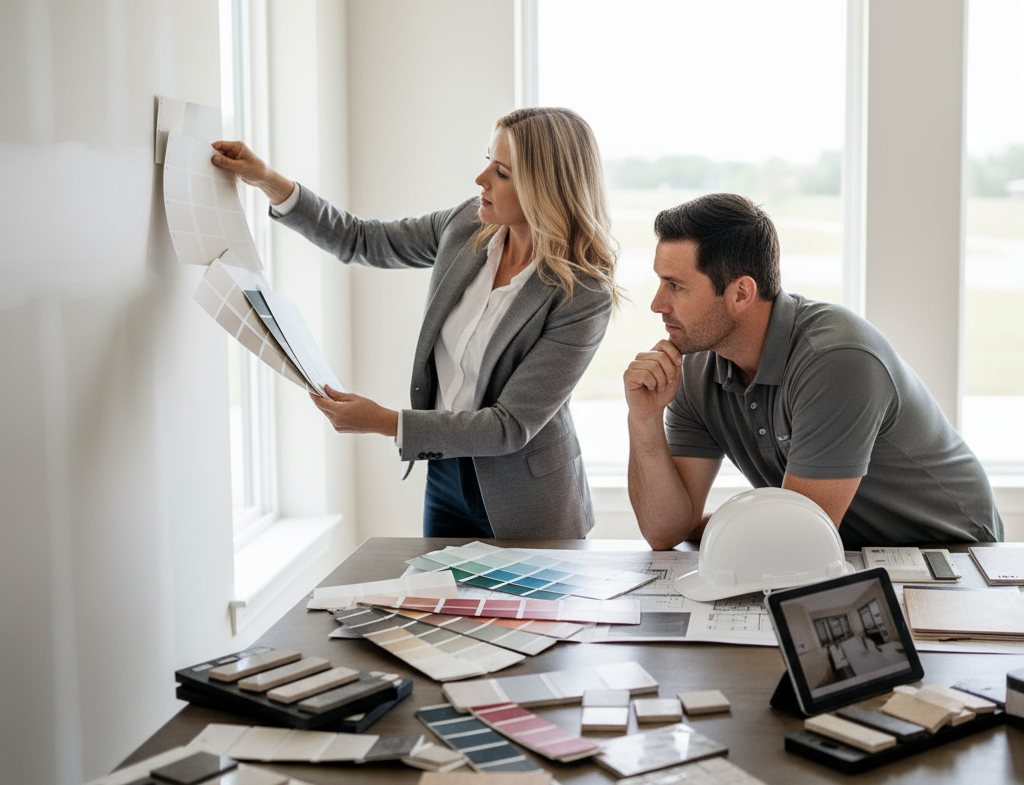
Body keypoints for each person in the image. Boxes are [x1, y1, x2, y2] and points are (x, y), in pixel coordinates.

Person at [212, 107, 617, 539]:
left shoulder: (583, 296)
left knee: (516, 609)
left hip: (527, 498)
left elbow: (508, 426)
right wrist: (269, 180)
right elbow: (361, 239)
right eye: (487, 162)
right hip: (443, 476)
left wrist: (384, 421)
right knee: (437, 605)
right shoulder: (466, 225)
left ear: (544, 189)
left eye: (500, 172)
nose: (481, 180)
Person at [624, 192, 1004, 550]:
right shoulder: (693, 369)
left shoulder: (837, 360)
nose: (658, 304)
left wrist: (714, 523)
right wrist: (644, 419)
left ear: (741, 293)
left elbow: (796, 539)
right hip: (845, 554)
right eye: (660, 282)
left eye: (675, 286)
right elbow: (665, 531)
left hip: (954, 553)